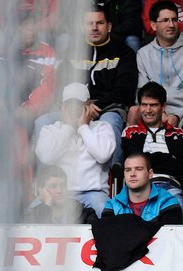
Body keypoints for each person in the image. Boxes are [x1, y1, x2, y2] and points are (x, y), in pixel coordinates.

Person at [55, 3, 138, 166]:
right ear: (81, 26)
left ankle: (114, 176)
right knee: (42, 121)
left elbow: (125, 91)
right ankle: (52, 180)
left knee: (111, 122)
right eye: (89, 23)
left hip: (109, 108)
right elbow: (61, 86)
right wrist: (80, 107)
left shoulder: (123, 52)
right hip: (73, 107)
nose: (94, 28)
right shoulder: (72, 52)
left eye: (100, 23)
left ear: (109, 26)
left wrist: (96, 104)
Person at [133, 0, 183, 173]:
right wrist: (159, 112)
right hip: (154, 108)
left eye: (174, 20)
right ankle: (132, 172)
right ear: (153, 25)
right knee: (133, 111)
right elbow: (141, 92)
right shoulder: (143, 54)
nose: (172, 24)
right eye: (165, 20)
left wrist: (176, 114)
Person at [36, 83, 116, 217]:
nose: (73, 109)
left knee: (104, 212)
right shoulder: (50, 130)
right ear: (62, 107)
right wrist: (68, 128)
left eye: (78, 104)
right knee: (30, 215)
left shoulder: (102, 127)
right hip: (58, 193)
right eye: (69, 105)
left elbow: (103, 155)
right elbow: (47, 158)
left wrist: (83, 127)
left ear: (88, 106)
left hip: (93, 194)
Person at [0, 11, 57, 130]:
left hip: (26, 113)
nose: (30, 28)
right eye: (23, 24)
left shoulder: (48, 54)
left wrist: (24, 110)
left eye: (33, 24)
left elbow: (46, 90)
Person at [122, 82, 183, 217]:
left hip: (170, 187)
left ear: (163, 106)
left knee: (179, 208)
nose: (147, 110)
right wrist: (167, 158)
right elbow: (134, 163)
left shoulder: (179, 135)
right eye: (144, 105)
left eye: (153, 105)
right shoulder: (130, 133)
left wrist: (146, 158)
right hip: (138, 187)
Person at [104, 153, 183, 224]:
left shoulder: (167, 202)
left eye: (138, 169)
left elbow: (170, 237)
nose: (132, 174)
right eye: (128, 170)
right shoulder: (112, 205)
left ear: (150, 174)